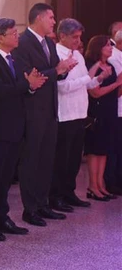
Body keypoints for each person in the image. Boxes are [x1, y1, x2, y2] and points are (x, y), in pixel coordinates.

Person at [0, 18, 47, 242]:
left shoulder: (13, 58)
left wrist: (30, 86)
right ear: (0, 37)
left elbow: (18, 88)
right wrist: (28, 85)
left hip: (14, 127)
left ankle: (3, 217)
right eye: (13, 32)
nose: (17, 35)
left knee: (6, 177)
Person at [12, 3, 77, 227]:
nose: (53, 21)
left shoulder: (48, 42)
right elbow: (29, 76)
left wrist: (62, 71)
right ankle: (30, 209)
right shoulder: (23, 42)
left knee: (46, 160)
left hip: (50, 110)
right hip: (32, 110)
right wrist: (55, 71)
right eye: (50, 17)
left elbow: (49, 76)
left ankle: (42, 204)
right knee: (31, 161)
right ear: (38, 18)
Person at [50, 19, 109, 211]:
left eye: (79, 37)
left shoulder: (78, 55)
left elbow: (86, 82)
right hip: (64, 114)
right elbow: (62, 87)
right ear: (62, 36)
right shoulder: (56, 54)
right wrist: (87, 79)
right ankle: (56, 196)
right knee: (62, 159)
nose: (78, 41)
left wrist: (98, 79)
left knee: (75, 158)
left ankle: (69, 193)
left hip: (80, 113)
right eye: (74, 37)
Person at [84, 35, 122, 201]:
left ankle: (101, 185)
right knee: (95, 149)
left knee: (105, 149)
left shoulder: (111, 66)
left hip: (110, 110)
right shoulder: (93, 66)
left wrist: (117, 85)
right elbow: (95, 92)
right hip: (97, 112)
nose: (110, 48)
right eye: (107, 45)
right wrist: (117, 83)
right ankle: (93, 186)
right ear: (98, 48)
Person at [106, 30, 122, 195]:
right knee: (115, 148)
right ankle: (112, 181)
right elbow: (117, 86)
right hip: (117, 109)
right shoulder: (114, 58)